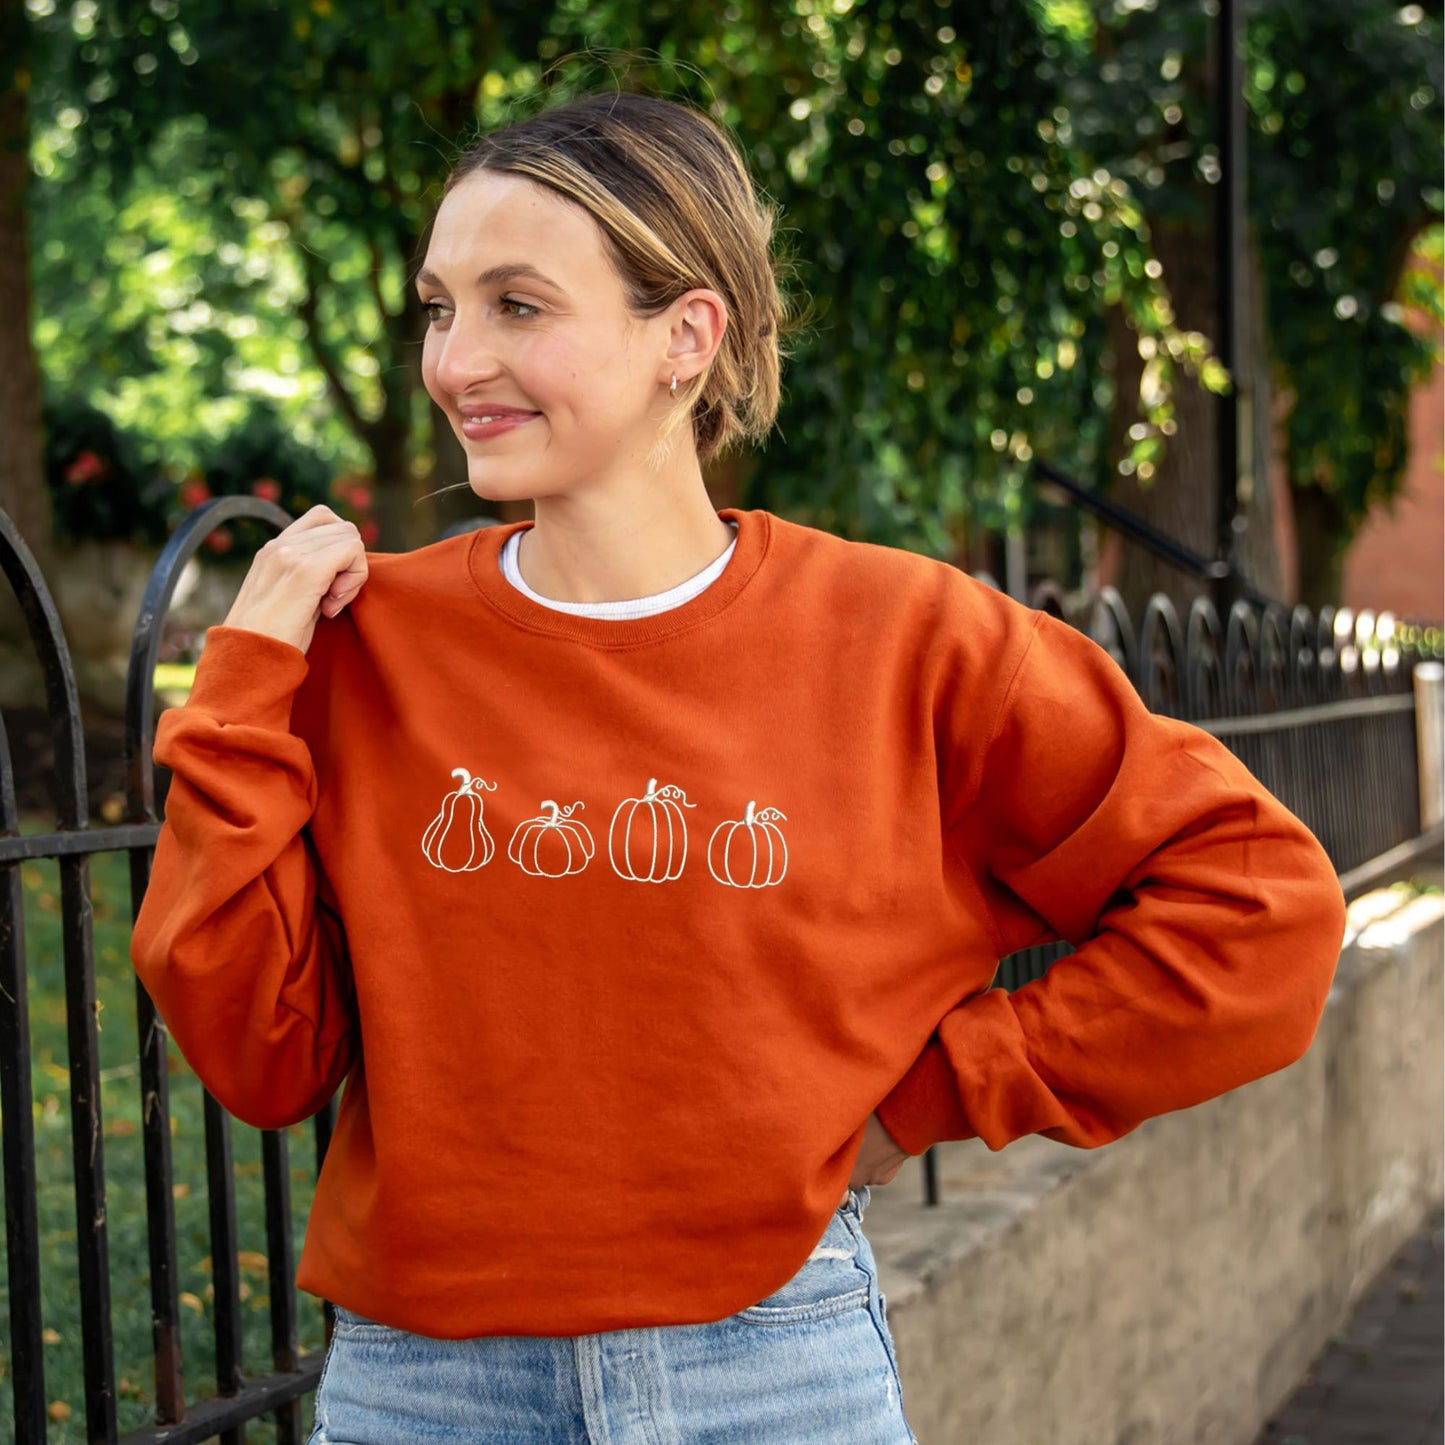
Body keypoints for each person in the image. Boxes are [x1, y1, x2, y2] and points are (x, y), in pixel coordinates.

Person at [130, 90, 1347, 1444]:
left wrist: (946, 1086)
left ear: (686, 336)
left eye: (517, 305)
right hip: (424, 1389)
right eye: (439, 306)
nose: (454, 358)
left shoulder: (911, 640)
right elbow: (257, 1053)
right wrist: (243, 684)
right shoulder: (365, 648)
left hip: (772, 1375)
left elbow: (1258, 907)